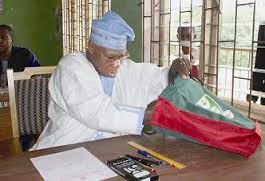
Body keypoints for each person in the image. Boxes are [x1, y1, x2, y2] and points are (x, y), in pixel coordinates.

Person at [31, 11, 191, 150]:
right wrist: (148, 115)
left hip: (109, 148)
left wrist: (172, 72)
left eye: (121, 56)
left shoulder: (124, 68)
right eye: (110, 57)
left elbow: (151, 79)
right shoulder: (71, 67)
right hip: (66, 147)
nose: (117, 64)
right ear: (91, 47)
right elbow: (97, 112)